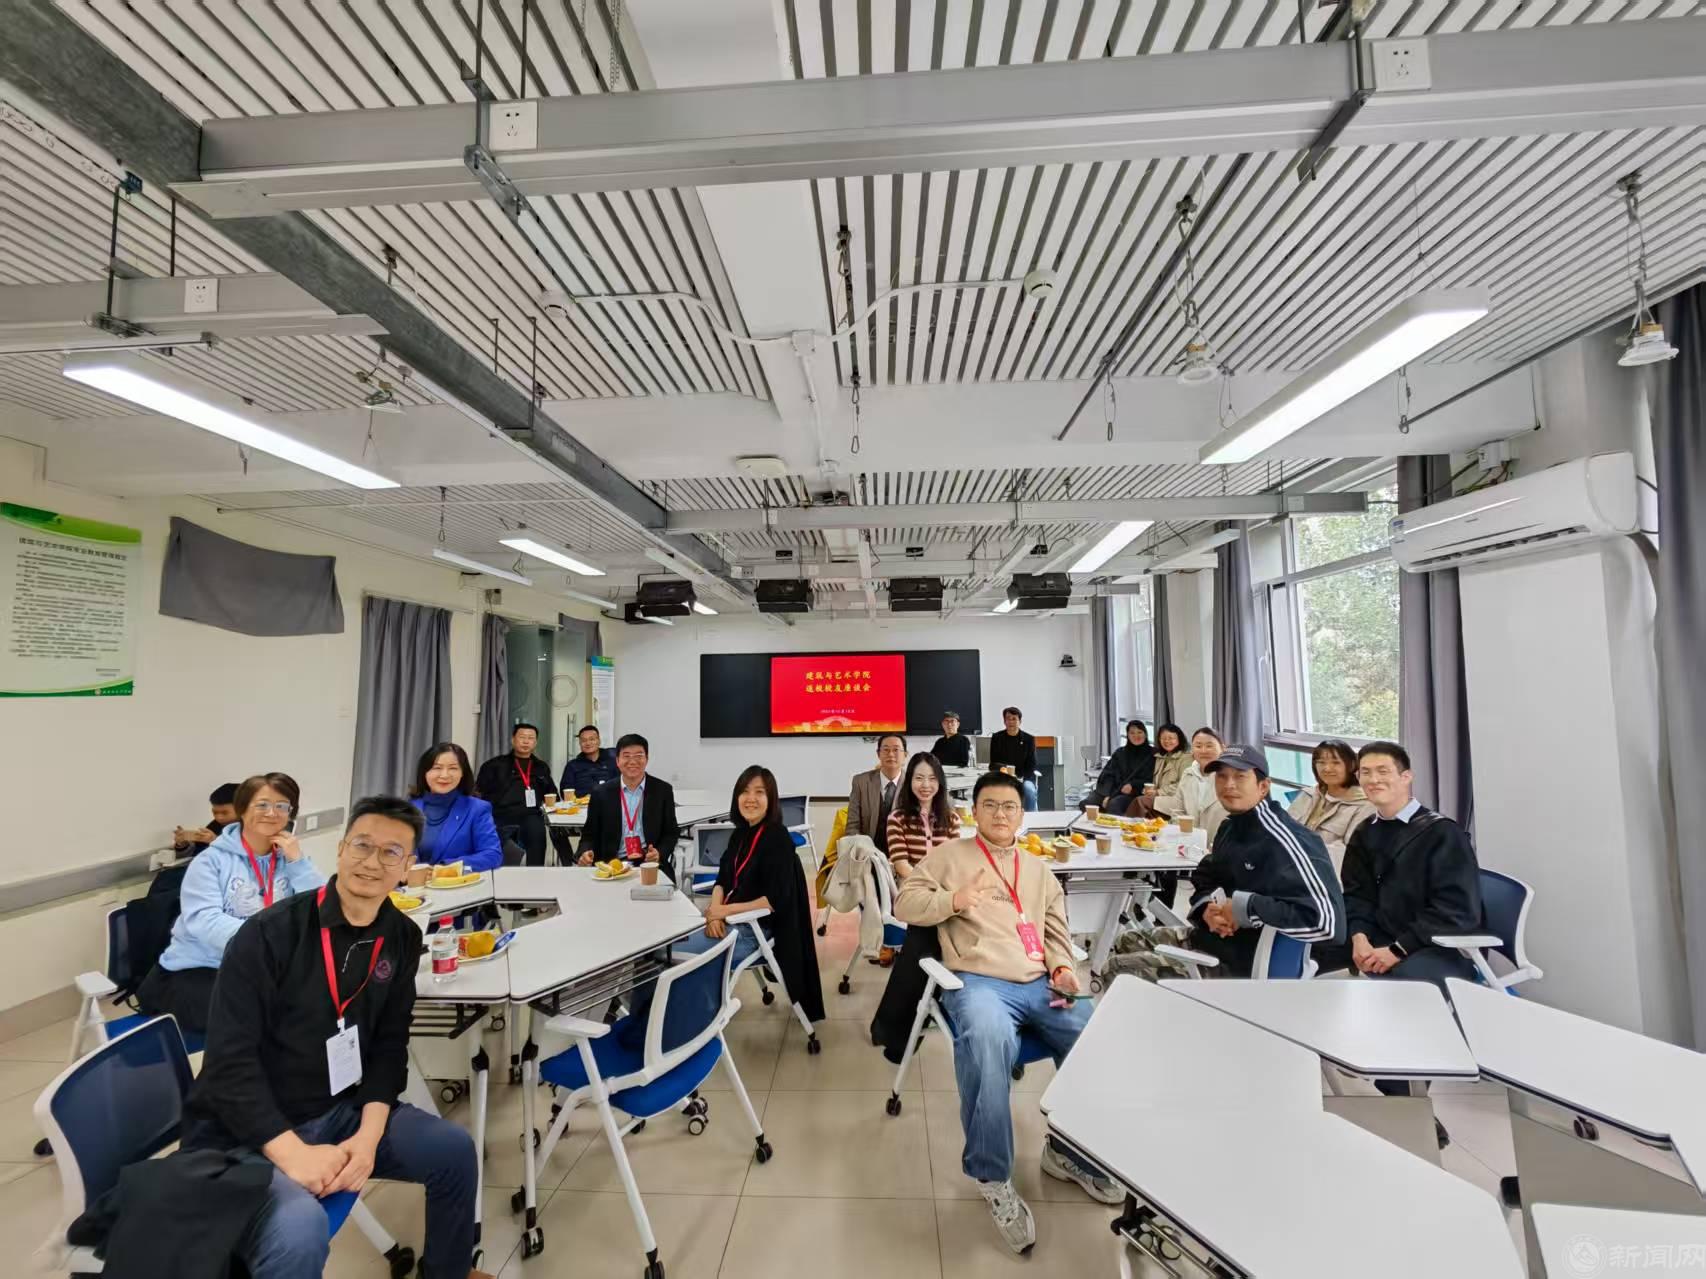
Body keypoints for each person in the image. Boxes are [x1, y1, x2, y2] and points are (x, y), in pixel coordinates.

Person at [182, 797, 486, 1279]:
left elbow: (389, 1045)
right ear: (341, 849)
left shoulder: (401, 936)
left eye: (391, 852)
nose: (372, 862)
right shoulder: (268, 934)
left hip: (341, 1112)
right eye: (362, 845)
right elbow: (227, 1064)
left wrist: (367, 1139)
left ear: (408, 866)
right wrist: (292, 1153)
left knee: (453, 1150)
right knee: (298, 1231)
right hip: (248, 1130)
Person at [894, 772, 1120, 1253]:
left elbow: (1055, 931)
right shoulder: (949, 857)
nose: (1000, 814)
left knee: (1093, 1033)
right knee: (987, 1040)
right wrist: (954, 900)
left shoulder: (1038, 870)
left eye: (1010, 807)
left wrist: (1062, 968)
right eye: (991, 805)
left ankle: (1069, 1153)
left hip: (1039, 981)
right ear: (975, 811)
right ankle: (992, 1174)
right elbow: (905, 902)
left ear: (1022, 815)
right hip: (979, 982)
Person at [619, 766, 825, 1047]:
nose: (750, 799)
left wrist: (722, 912)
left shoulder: (777, 838)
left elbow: (773, 901)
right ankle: (644, 1028)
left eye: (759, 792)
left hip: (755, 931)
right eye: (745, 792)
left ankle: (664, 1036)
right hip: (729, 921)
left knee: (664, 955)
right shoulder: (740, 834)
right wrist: (714, 913)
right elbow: (723, 880)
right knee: (652, 948)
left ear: (771, 799)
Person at [1111, 745, 1344, 981]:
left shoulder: (1287, 841)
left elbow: (1327, 924)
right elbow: (1206, 875)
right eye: (1221, 776)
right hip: (1213, 941)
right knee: (1125, 940)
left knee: (1117, 970)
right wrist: (1206, 909)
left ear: (1263, 787)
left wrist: (1245, 908)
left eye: (1240, 776)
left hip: (1238, 965)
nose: (1229, 785)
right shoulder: (1231, 827)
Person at [138, 773, 325, 1035]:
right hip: (198, 970)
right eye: (262, 804)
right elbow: (206, 922)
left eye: (282, 806)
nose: (272, 813)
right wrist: (271, 942)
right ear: (242, 809)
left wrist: (298, 863)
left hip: (261, 969)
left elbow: (321, 911)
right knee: (267, 1018)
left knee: (317, 1002)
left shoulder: (289, 860)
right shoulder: (210, 862)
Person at [1319, 740, 1484, 991]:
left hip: (1427, 942)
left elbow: (1456, 910)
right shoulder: (1364, 831)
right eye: (1366, 772)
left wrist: (1397, 950)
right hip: (1377, 933)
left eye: (1383, 771)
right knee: (1302, 945)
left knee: (1408, 988)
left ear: (1406, 777)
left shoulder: (1443, 834)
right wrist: (1359, 937)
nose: (1374, 780)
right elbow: (1356, 895)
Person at [576, 733, 680, 880]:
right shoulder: (601, 793)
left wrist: (659, 853)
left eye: (638, 756)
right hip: (613, 865)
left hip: (649, 864)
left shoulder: (662, 790)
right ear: (617, 761)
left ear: (647, 759)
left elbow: (671, 832)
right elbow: (589, 834)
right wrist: (585, 852)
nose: (632, 761)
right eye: (626, 756)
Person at [846, 734, 909, 964]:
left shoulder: (913, 784)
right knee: (870, 884)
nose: (891, 754)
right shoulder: (861, 782)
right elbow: (852, 825)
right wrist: (863, 852)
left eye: (896, 749)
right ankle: (879, 941)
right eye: (886, 749)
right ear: (878, 754)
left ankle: (897, 939)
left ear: (905, 755)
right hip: (870, 853)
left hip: (902, 854)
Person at [408, 743, 503, 872]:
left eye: (453, 768)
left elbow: (492, 855)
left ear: (462, 773)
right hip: (410, 884)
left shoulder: (477, 809)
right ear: (425, 772)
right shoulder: (407, 808)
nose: (444, 775)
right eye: (437, 768)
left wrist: (445, 868)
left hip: (456, 882)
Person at [1286, 739, 1376, 872]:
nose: (1327, 768)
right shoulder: (1308, 794)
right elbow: (1284, 829)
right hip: (1289, 865)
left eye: (1336, 762)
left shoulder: (1365, 805)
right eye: (1321, 762)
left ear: (1351, 765)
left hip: (1326, 875)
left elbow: (1350, 855)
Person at [475, 724, 553, 868]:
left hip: (531, 814)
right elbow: (478, 792)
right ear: (513, 740)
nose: (526, 741)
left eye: (531, 738)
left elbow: (551, 793)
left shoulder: (541, 767)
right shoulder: (494, 765)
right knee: (494, 842)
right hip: (500, 813)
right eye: (522, 737)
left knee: (537, 832)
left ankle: (536, 874)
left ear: (535, 742)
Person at [885, 752, 961, 880]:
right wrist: (929, 885)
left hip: (944, 885)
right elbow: (901, 865)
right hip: (911, 886)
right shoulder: (896, 819)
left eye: (932, 778)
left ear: (940, 782)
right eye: (919, 778)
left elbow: (953, 862)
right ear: (909, 781)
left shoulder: (952, 819)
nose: (926, 785)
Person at [1153, 727, 1229, 842]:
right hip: (1189, 844)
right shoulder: (1188, 774)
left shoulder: (1231, 778)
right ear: (1192, 751)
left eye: (1209, 746)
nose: (1203, 751)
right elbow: (1177, 810)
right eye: (1198, 746)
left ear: (1223, 748)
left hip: (1221, 844)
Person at [1084, 720, 1155, 815]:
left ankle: (1112, 824)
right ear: (1127, 735)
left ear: (1145, 734)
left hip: (1133, 792)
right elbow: (1107, 774)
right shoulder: (1120, 753)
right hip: (1113, 790)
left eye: (1139, 732)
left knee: (1114, 804)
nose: (1136, 735)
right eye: (1132, 733)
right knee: (1087, 803)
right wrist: (1107, 794)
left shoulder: (1152, 754)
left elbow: (1151, 778)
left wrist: (1133, 785)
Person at [986, 707, 1040, 811]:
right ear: (1004, 721)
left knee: (1029, 790)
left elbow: (1032, 765)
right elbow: (993, 764)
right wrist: (1007, 771)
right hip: (1003, 777)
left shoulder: (1029, 739)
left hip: (1024, 778)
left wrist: (1020, 778)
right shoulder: (997, 738)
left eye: (1014, 719)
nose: (1011, 721)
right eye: (1008, 719)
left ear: (1020, 721)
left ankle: (1030, 817)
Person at [1133, 723, 1190, 818]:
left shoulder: (1186, 758)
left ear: (1179, 739)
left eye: (1171, 738)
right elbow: (1156, 782)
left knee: (1140, 801)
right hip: (1161, 797)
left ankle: (1130, 826)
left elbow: (1184, 784)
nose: (1167, 741)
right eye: (1163, 738)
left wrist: (1159, 792)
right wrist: (1150, 791)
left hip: (1176, 799)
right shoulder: (1160, 757)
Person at [174, 782, 241, 853]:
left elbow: (244, 856)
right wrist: (183, 845)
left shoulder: (248, 829)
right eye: (215, 812)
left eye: (224, 813)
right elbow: (197, 852)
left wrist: (216, 841)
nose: (219, 818)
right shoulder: (216, 825)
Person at [560, 724, 618, 798]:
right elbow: (566, 791)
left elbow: (620, 785)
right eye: (584, 740)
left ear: (599, 741)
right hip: (580, 803)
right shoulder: (572, 765)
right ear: (580, 744)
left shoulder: (613, 761)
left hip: (608, 802)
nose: (588, 743)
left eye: (592, 739)